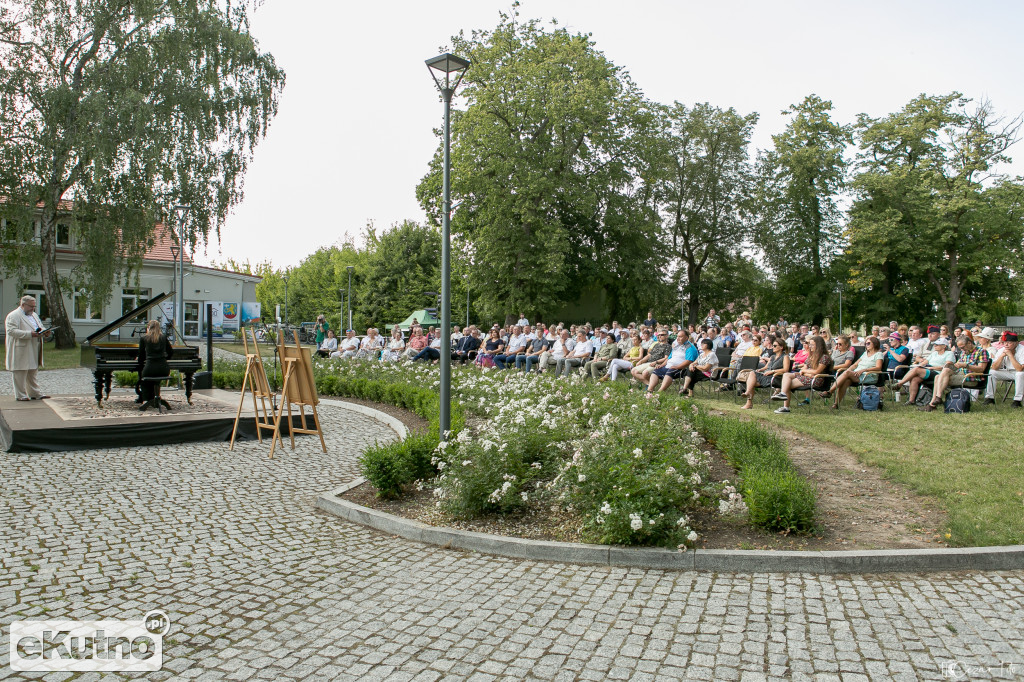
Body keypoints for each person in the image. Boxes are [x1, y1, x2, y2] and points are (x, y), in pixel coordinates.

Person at [924, 335, 989, 411]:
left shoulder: (981, 351)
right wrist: (950, 366)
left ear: (969, 343)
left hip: (972, 378)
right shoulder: (963, 352)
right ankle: (937, 398)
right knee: (939, 375)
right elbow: (957, 367)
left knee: (939, 376)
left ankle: (933, 403)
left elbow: (981, 369)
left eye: (963, 347)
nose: (962, 349)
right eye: (960, 348)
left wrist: (966, 365)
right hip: (960, 374)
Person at [6, 295, 52, 401]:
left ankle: (35, 393)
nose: (33, 309)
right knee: (20, 371)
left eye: (34, 306)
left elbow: (39, 326)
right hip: (20, 347)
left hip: (34, 346)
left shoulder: (34, 315)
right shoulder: (14, 315)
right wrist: (29, 334)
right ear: (23, 305)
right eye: (31, 306)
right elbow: (11, 331)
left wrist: (45, 332)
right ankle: (21, 395)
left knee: (32, 370)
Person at [820, 336, 884, 410]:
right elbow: (855, 365)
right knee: (846, 381)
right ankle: (836, 404)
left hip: (869, 375)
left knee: (847, 373)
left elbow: (878, 367)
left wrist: (864, 370)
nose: (866, 345)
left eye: (869, 343)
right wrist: (849, 370)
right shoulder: (865, 353)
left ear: (875, 344)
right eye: (866, 343)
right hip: (857, 374)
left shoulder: (878, 354)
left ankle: (830, 391)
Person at [772, 335, 832, 414]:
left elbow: (817, 371)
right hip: (809, 377)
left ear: (819, 346)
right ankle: (783, 395)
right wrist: (808, 373)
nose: (810, 346)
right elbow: (803, 369)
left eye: (812, 345)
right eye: (809, 344)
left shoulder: (824, 357)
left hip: (817, 379)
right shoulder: (811, 356)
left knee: (787, 384)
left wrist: (807, 372)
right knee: (786, 375)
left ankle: (785, 407)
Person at [895, 337, 955, 405]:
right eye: (934, 344)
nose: (935, 346)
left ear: (944, 346)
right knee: (915, 379)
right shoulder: (934, 353)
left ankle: (900, 384)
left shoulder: (949, 353)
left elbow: (948, 367)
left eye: (937, 345)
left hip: (939, 373)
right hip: (928, 371)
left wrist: (932, 368)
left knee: (917, 370)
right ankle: (911, 400)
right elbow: (925, 362)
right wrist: (921, 365)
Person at [739, 339, 790, 410]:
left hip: (775, 377)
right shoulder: (772, 357)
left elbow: (786, 369)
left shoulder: (785, 357)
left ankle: (748, 401)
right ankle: (748, 397)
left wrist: (773, 371)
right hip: (766, 375)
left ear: (781, 347)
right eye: (773, 346)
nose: (773, 347)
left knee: (751, 382)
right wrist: (761, 369)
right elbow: (766, 367)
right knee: (752, 373)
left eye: (775, 346)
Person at [138, 319, 174, 408]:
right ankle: (156, 399)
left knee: (143, 380)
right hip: (163, 368)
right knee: (155, 379)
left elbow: (141, 356)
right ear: (158, 328)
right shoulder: (163, 337)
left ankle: (147, 400)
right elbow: (171, 352)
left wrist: (141, 361)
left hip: (150, 367)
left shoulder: (144, 338)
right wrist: (165, 358)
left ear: (148, 328)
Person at [981, 331, 1023, 408]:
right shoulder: (1002, 350)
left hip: (1021, 373)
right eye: (1004, 342)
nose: (1006, 345)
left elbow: (1019, 369)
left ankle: (1017, 400)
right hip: (1008, 372)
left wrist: (1010, 355)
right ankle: (990, 398)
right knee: (992, 372)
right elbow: (994, 367)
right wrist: (1001, 356)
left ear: (1016, 343)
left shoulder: (1022, 350)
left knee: (1020, 374)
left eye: (1009, 342)